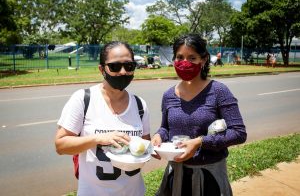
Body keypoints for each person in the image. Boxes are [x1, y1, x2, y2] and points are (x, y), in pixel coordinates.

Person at [151, 34, 247, 196]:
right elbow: (165, 128)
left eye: (192, 58)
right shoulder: (169, 95)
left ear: (203, 60)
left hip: (209, 177)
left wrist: (200, 142)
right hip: (176, 175)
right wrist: (158, 136)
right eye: (180, 57)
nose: (185, 63)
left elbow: (238, 133)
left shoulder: (219, 91)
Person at [55, 41, 151, 196]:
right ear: (102, 69)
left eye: (129, 66)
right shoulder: (83, 99)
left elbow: (146, 146)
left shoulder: (140, 104)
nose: (122, 72)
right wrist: (98, 139)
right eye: (114, 66)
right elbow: (61, 145)